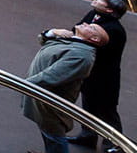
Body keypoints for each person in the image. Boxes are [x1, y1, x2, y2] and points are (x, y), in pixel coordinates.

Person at [24, 23, 109, 153]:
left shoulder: (82, 55)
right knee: (47, 131)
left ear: (95, 39)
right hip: (41, 97)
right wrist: (53, 32)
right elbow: (44, 42)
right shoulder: (73, 41)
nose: (85, 23)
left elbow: (51, 77)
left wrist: (24, 84)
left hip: (50, 101)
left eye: (91, 28)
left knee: (54, 135)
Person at [72, 0, 129, 148]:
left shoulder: (114, 29)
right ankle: (88, 136)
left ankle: (115, 144)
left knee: (107, 111)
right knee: (88, 106)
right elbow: (76, 29)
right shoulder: (93, 14)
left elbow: (88, 41)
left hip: (105, 78)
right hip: (90, 73)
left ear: (109, 9)